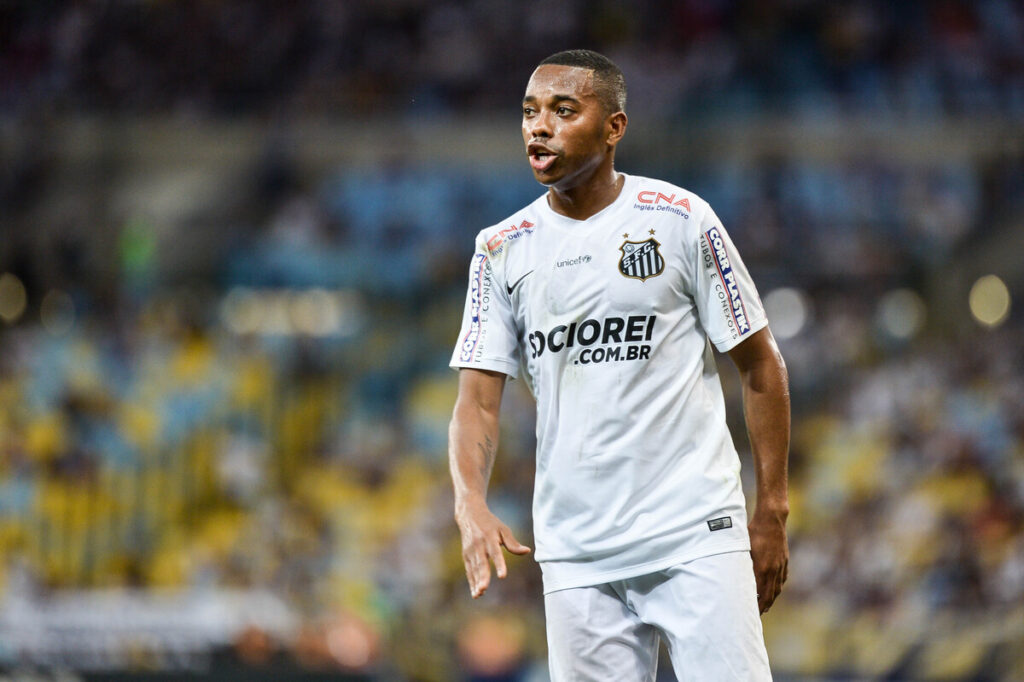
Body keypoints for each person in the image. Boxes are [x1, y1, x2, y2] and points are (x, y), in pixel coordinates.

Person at [448, 49, 789, 681]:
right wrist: (470, 501)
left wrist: (771, 510)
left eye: (563, 110)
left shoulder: (681, 220)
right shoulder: (498, 250)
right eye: (529, 113)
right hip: (576, 553)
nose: (538, 127)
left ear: (614, 128)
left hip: (694, 535)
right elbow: (476, 401)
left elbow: (761, 364)